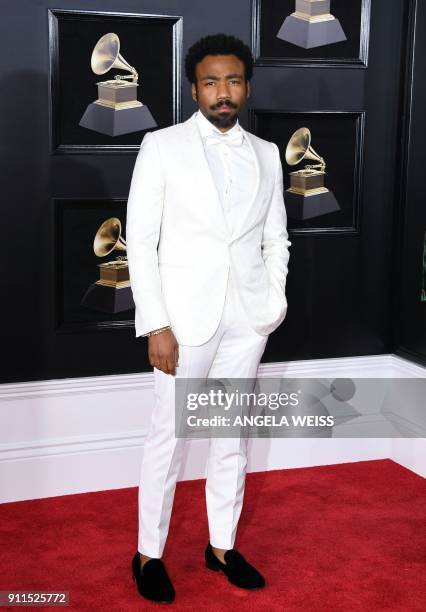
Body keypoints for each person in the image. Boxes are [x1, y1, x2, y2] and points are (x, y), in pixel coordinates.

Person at [126, 33, 291, 603]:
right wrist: (157, 324)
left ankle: (221, 546)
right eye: (212, 81)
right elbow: (140, 243)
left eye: (234, 80)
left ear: (247, 85)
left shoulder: (268, 153)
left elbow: (277, 239)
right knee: (168, 440)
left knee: (230, 437)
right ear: (194, 88)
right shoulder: (161, 146)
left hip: (247, 320)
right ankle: (148, 553)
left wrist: (272, 304)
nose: (224, 92)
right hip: (183, 322)